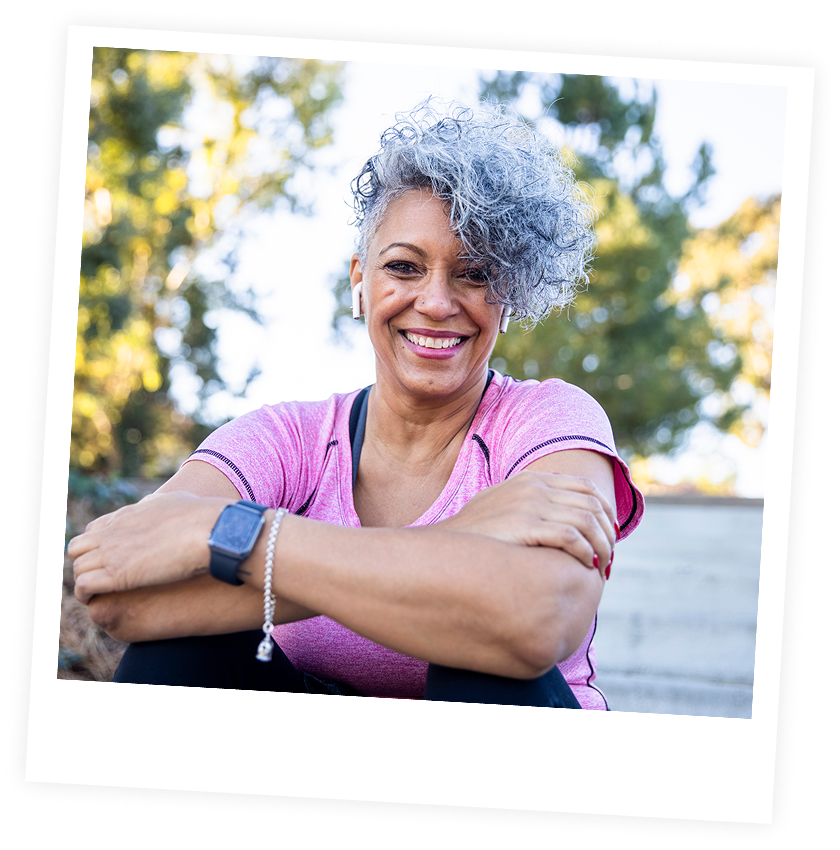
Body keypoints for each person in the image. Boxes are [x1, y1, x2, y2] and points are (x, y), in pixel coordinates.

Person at [69, 100, 644, 709]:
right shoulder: (289, 438)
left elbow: (539, 619)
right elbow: (117, 593)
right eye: (404, 266)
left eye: (474, 274)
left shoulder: (548, 420)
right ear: (360, 281)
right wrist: (463, 538)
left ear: (511, 293)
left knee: (481, 659)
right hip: (320, 750)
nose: (437, 302)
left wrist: (246, 542)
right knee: (178, 654)